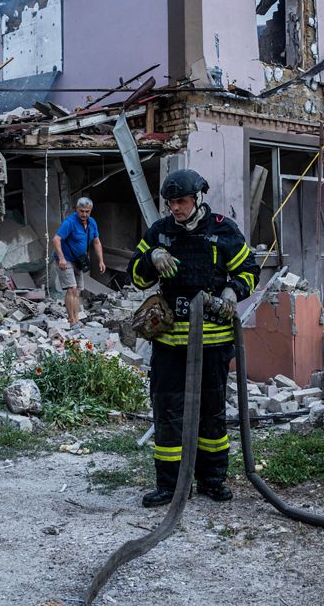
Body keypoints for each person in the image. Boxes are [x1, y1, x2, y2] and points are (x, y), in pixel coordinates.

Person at [128, 169, 260, 507]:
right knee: (168, 413)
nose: (176, 208)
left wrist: (233, 291)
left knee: (211, 413)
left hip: (212, 343)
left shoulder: (222, 230)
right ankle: (171, 487)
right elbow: (135, 277)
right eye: (171, 203)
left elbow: (249, 270)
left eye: (182, 201)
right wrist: (151, 258)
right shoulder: (160, 232)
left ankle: (212, 481)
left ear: (198, 197)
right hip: (170, 343)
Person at [52, 197, 106, 328]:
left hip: (79, 260)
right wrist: (61, 258)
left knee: (78, 290)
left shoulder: (92, 222)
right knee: (72, 289)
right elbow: (56, 239)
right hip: (66, 259)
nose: (84, 214)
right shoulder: (69, 222)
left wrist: (101, 261)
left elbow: (96, 241)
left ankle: (76, 318)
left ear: (90, 211)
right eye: (81, 211)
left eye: (87, 211)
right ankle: (72, 320)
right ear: (77, 209)